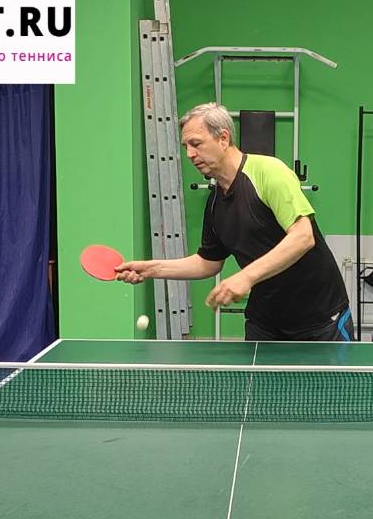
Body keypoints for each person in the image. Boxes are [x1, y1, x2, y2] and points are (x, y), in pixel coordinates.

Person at [116, 102, 353, 341]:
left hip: (320, 320)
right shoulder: (215, 202)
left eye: (196, 144)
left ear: (223, 138)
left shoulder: (269, 172)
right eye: (186, 146)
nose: (189, 154)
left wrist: (245, 277)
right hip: (265, 323)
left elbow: (303, 237)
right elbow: (208, 263)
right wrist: (151, 269)